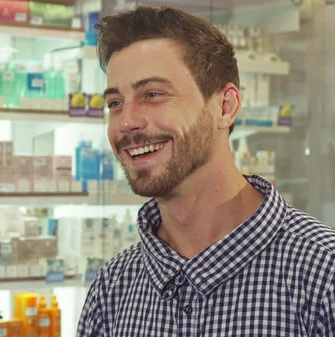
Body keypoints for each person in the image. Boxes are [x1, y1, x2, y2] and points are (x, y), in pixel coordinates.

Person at [77, 6, 335, 337]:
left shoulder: (323, 275)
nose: (127, 122)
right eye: (115, 103)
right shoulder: (111, 291)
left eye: (153, 94)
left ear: (225, 107)